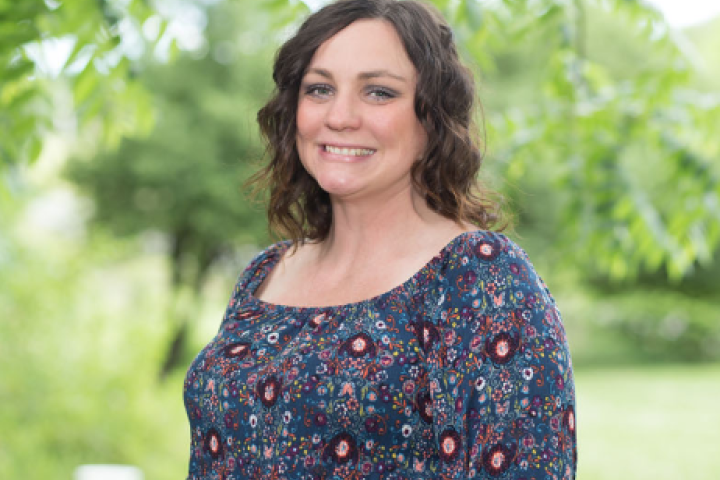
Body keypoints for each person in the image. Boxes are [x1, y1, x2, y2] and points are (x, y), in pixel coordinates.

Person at [183, 0, 577, 478]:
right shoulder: (264, 273)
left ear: (431, 116)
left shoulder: (482, 278)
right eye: (320, 88)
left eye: (378, 92)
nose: (340, 116)